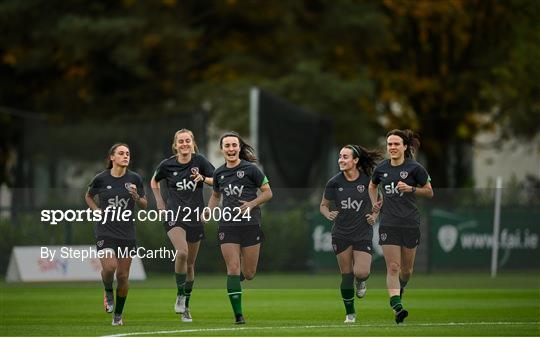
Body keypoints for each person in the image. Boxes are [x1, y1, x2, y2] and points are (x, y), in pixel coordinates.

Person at [207, 131, 273, 324]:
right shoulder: (218, 173)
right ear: (222, 150)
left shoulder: (252, 169)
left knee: (249, 274)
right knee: (233, 269)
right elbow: (215, 195)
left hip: (251, 225)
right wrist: (208, 212)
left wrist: (251, 204)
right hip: (227, 225)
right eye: (227, 146)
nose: (231, 149)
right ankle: (238, 315)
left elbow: (268, 193)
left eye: (234, 145)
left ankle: (240, 278)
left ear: (239, 147)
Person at [368, 129, 433, 324]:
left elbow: (429, 192)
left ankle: (400, 288)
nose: (392, 147)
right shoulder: (381, 169)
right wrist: (375, 203)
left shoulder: (416, 168)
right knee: (393, 267)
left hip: (410, 223)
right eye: (389, 144)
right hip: (388, 223)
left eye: (396, 144)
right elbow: (372, 186)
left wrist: (411, 189)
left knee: (407, 271)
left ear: (405, 147)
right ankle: (397, 306)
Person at [150, 129, 215, 322]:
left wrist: (203, 178)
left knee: (190, 265)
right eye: (181, 141)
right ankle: (179, 294)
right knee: (182, 252)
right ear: (175, 145)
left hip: (195, 217)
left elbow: (217, 180)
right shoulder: (167, 164)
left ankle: (185, 306)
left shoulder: (200, 161)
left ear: (193, 143)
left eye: (188, 141)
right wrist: (160, 203)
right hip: (174, 215)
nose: (184, 144)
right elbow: (154, 180)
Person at [85, 143, 147, 326]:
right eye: (121, 153)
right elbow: (88, 196)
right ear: (112, 157)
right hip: (105, 231)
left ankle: (118, 315)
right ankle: (107, 291)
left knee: (122, 276)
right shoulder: (101, 179)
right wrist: (96, 209)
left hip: (127, 233)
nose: (125, 156)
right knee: (110, 267)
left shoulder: (135, 178)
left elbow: (144, 203)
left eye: (127, 153)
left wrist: (136, 197)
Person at [320, 144, 382, 324]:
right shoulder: (334, 182)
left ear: (355, 160)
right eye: (340, 156)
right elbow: (323, 205)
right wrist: (328, 214)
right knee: (346, 275)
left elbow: (379, 199)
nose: (341, 160)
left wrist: (375, 215)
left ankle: (361, 282)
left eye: (346, 157)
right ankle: (350, 314)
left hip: (362, 232)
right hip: (341, 233)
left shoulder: (368, 181)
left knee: (361, 272)